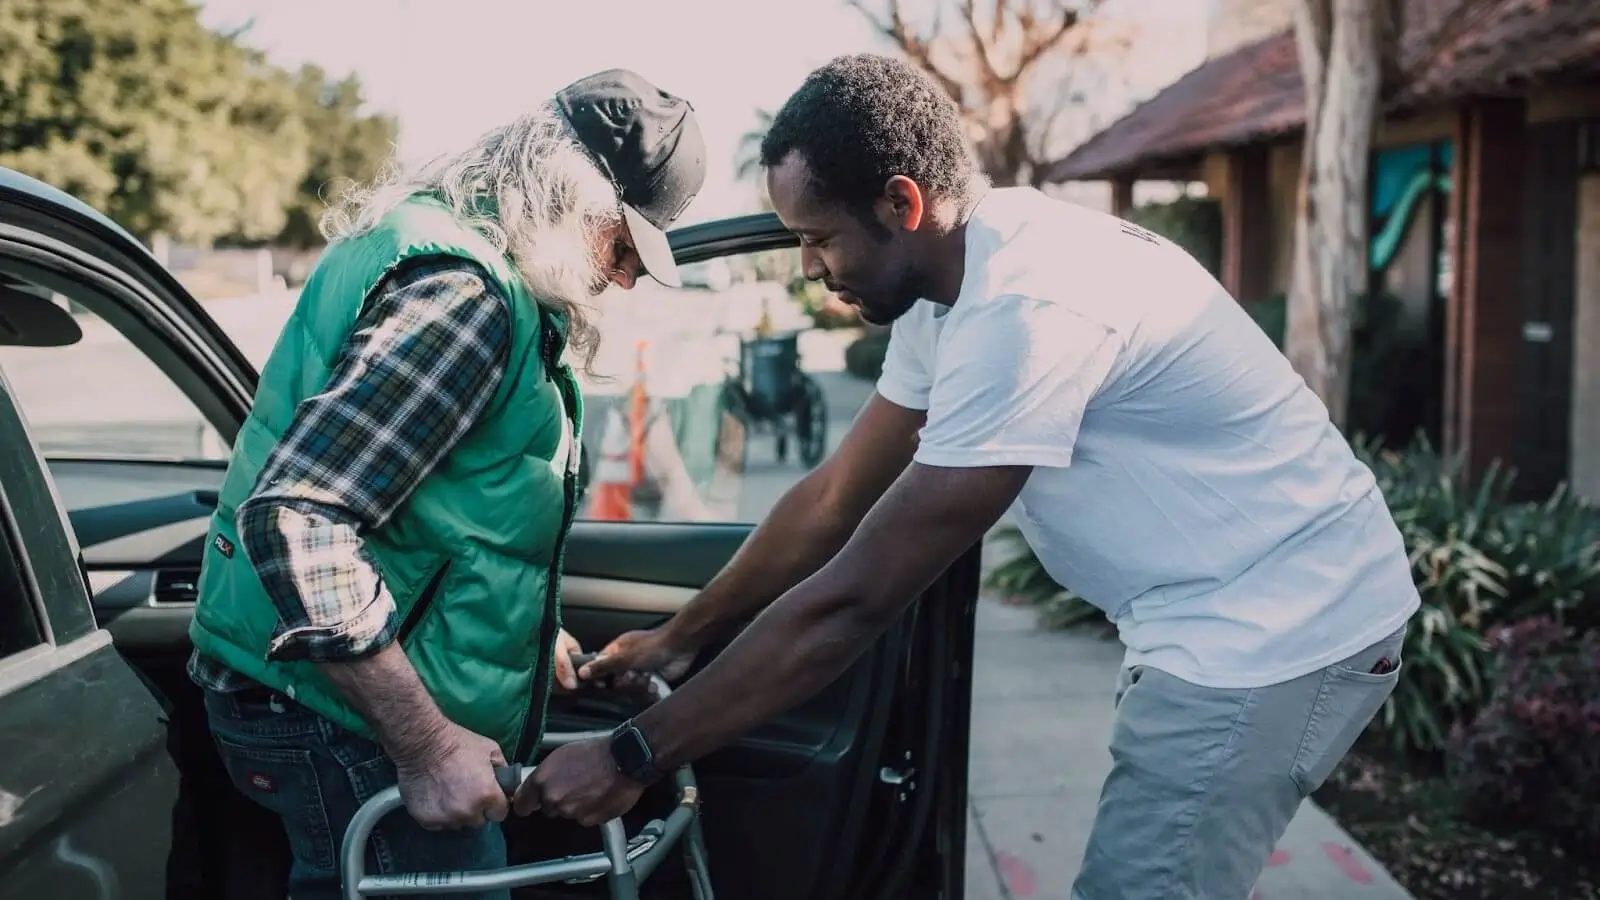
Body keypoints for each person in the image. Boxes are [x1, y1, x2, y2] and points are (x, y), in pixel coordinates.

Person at [525, 53, 1420, 900]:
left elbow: (856, 599)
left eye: (818, 238)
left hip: (1278, 632)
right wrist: (682, 636)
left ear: (902, 203)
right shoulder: (951, 290)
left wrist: (629, 758)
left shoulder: (1027, 308)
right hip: (1212, 618)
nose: (808, 266)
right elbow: (837, 497)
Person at [185, 68, 706, 899]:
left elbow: (435, 505)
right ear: (573, 199)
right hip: (342, 720)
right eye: (623, 246)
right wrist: (426, 745)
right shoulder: (467, 297)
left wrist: (524, 636)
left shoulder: (434, 249)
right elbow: (298, 519)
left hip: (309, 693)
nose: (626, 278)